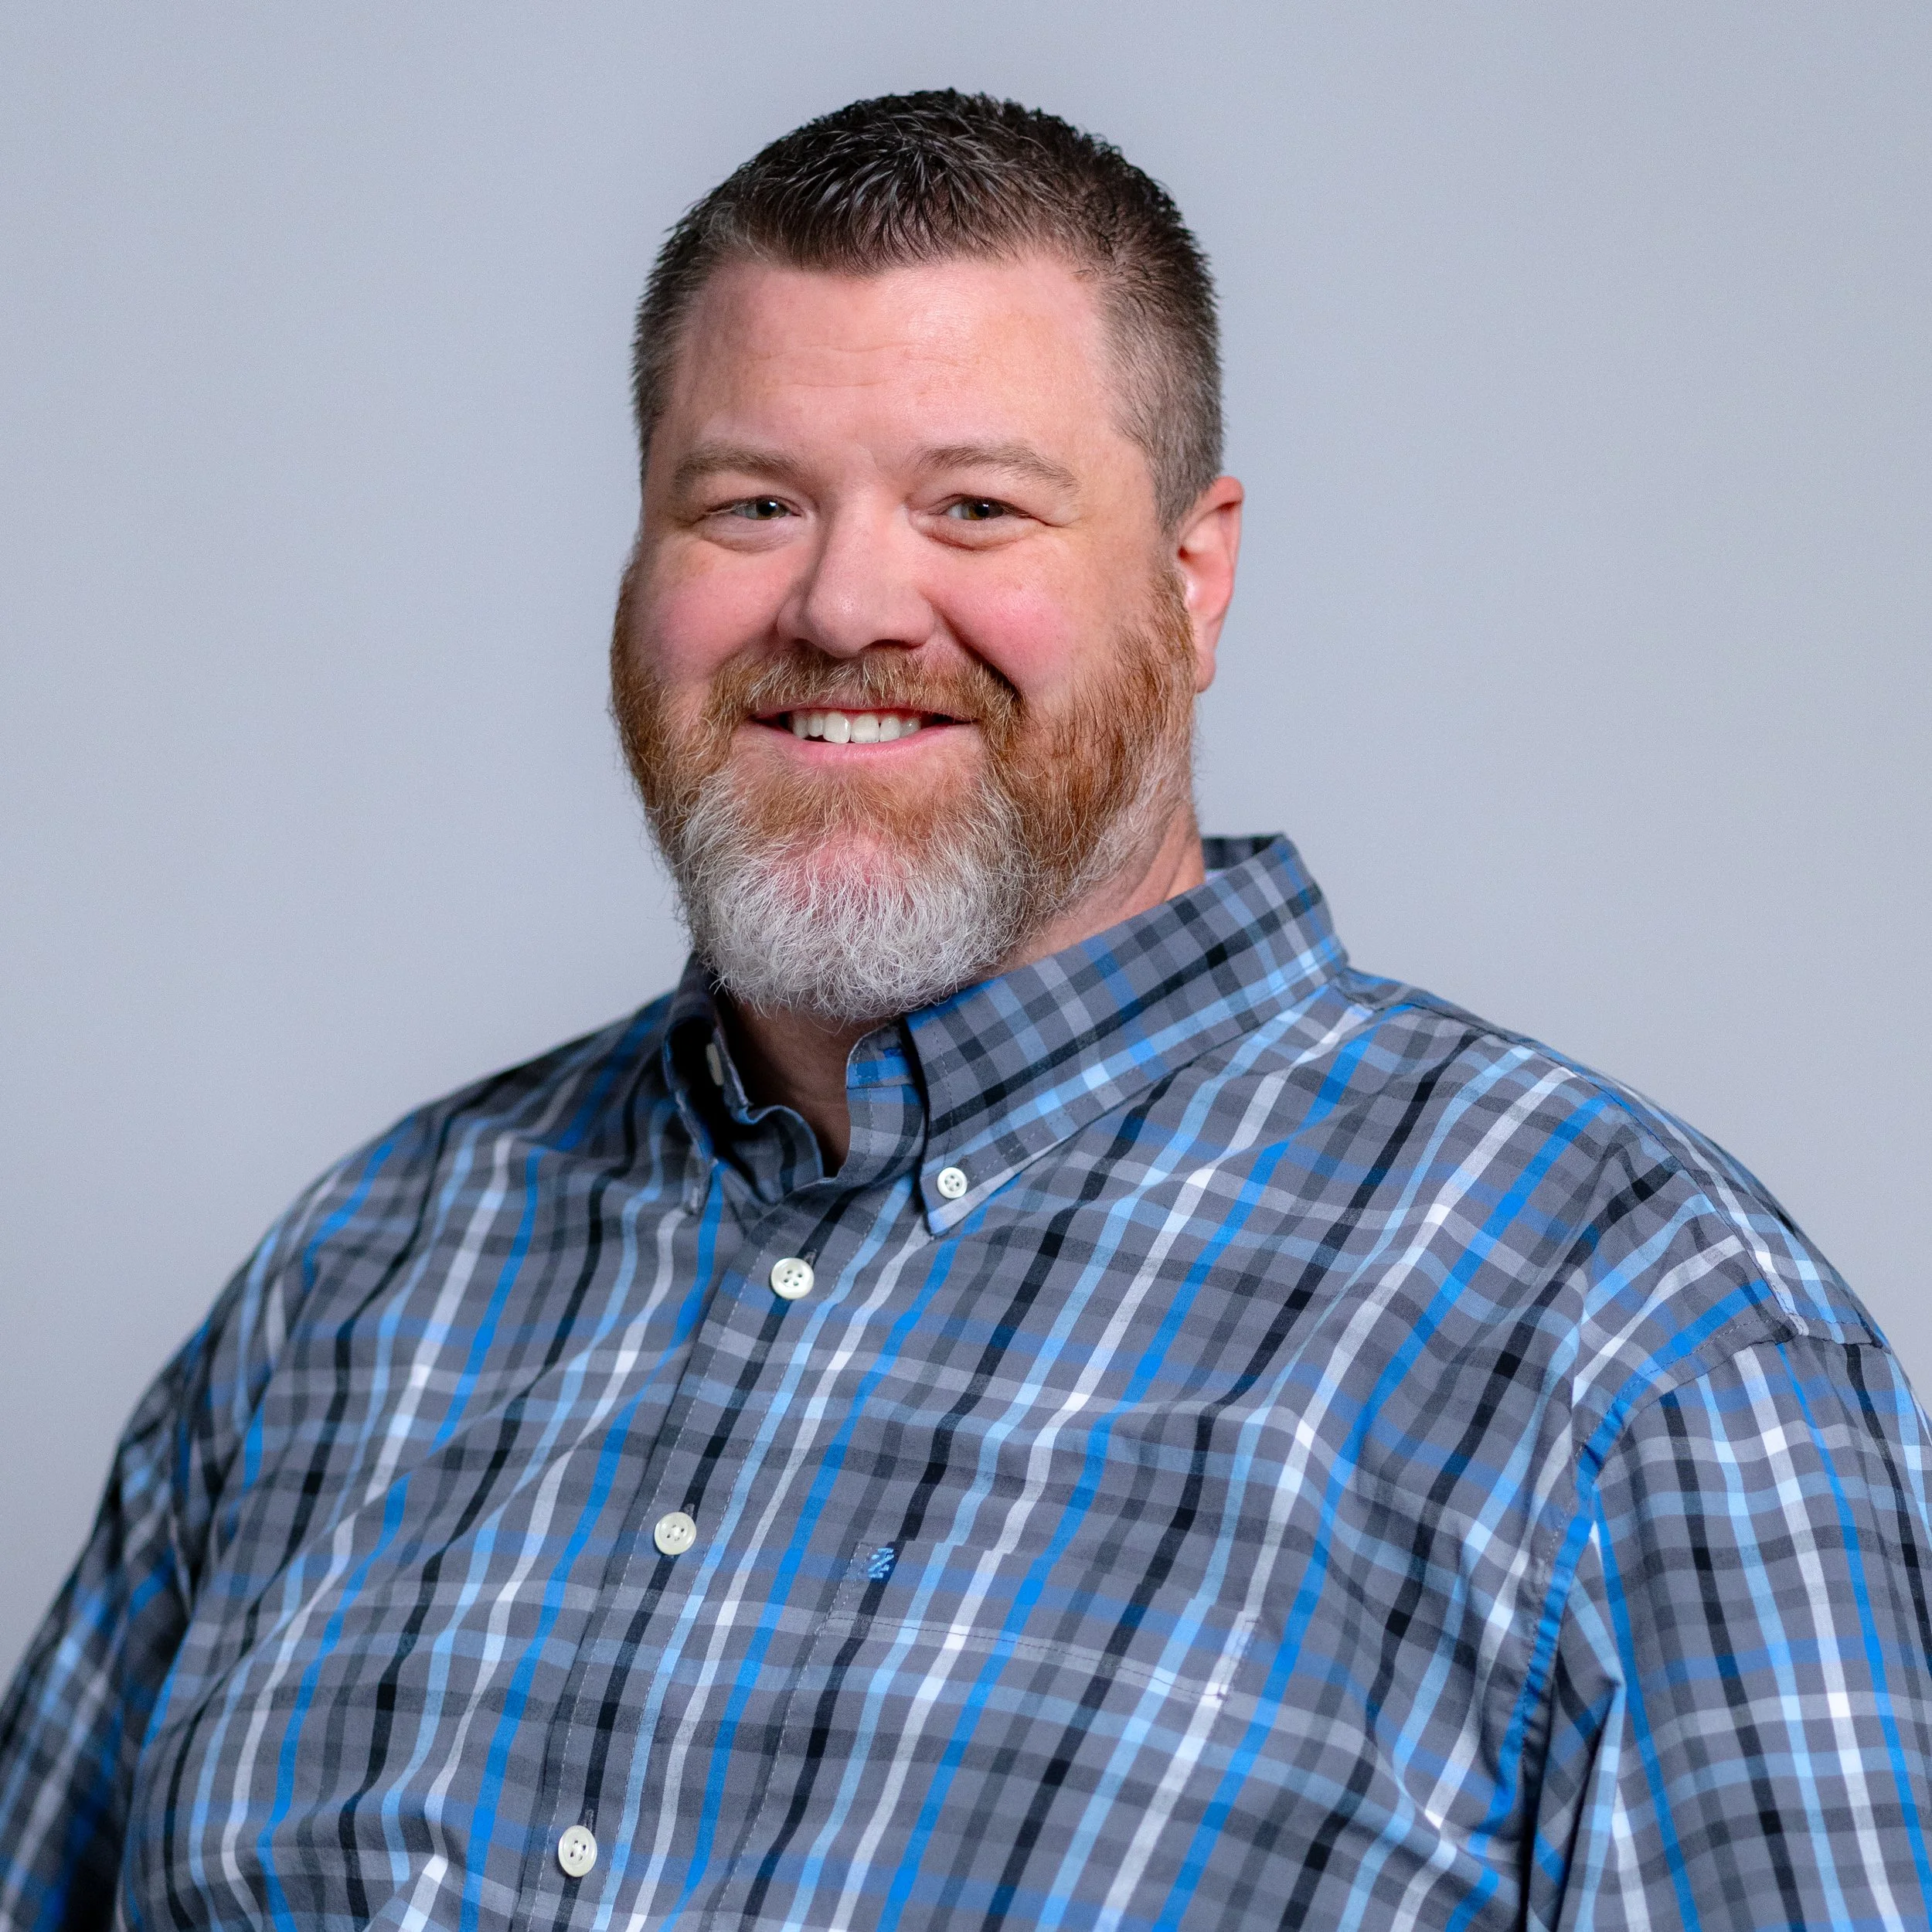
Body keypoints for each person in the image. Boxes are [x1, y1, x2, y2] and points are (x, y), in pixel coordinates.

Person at [2, 89, 1927, 1932]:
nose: (845, 605)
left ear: (1191, 577)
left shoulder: (1634, 1352)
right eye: (749, 501)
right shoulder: (356, 1284)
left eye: (977, 507)